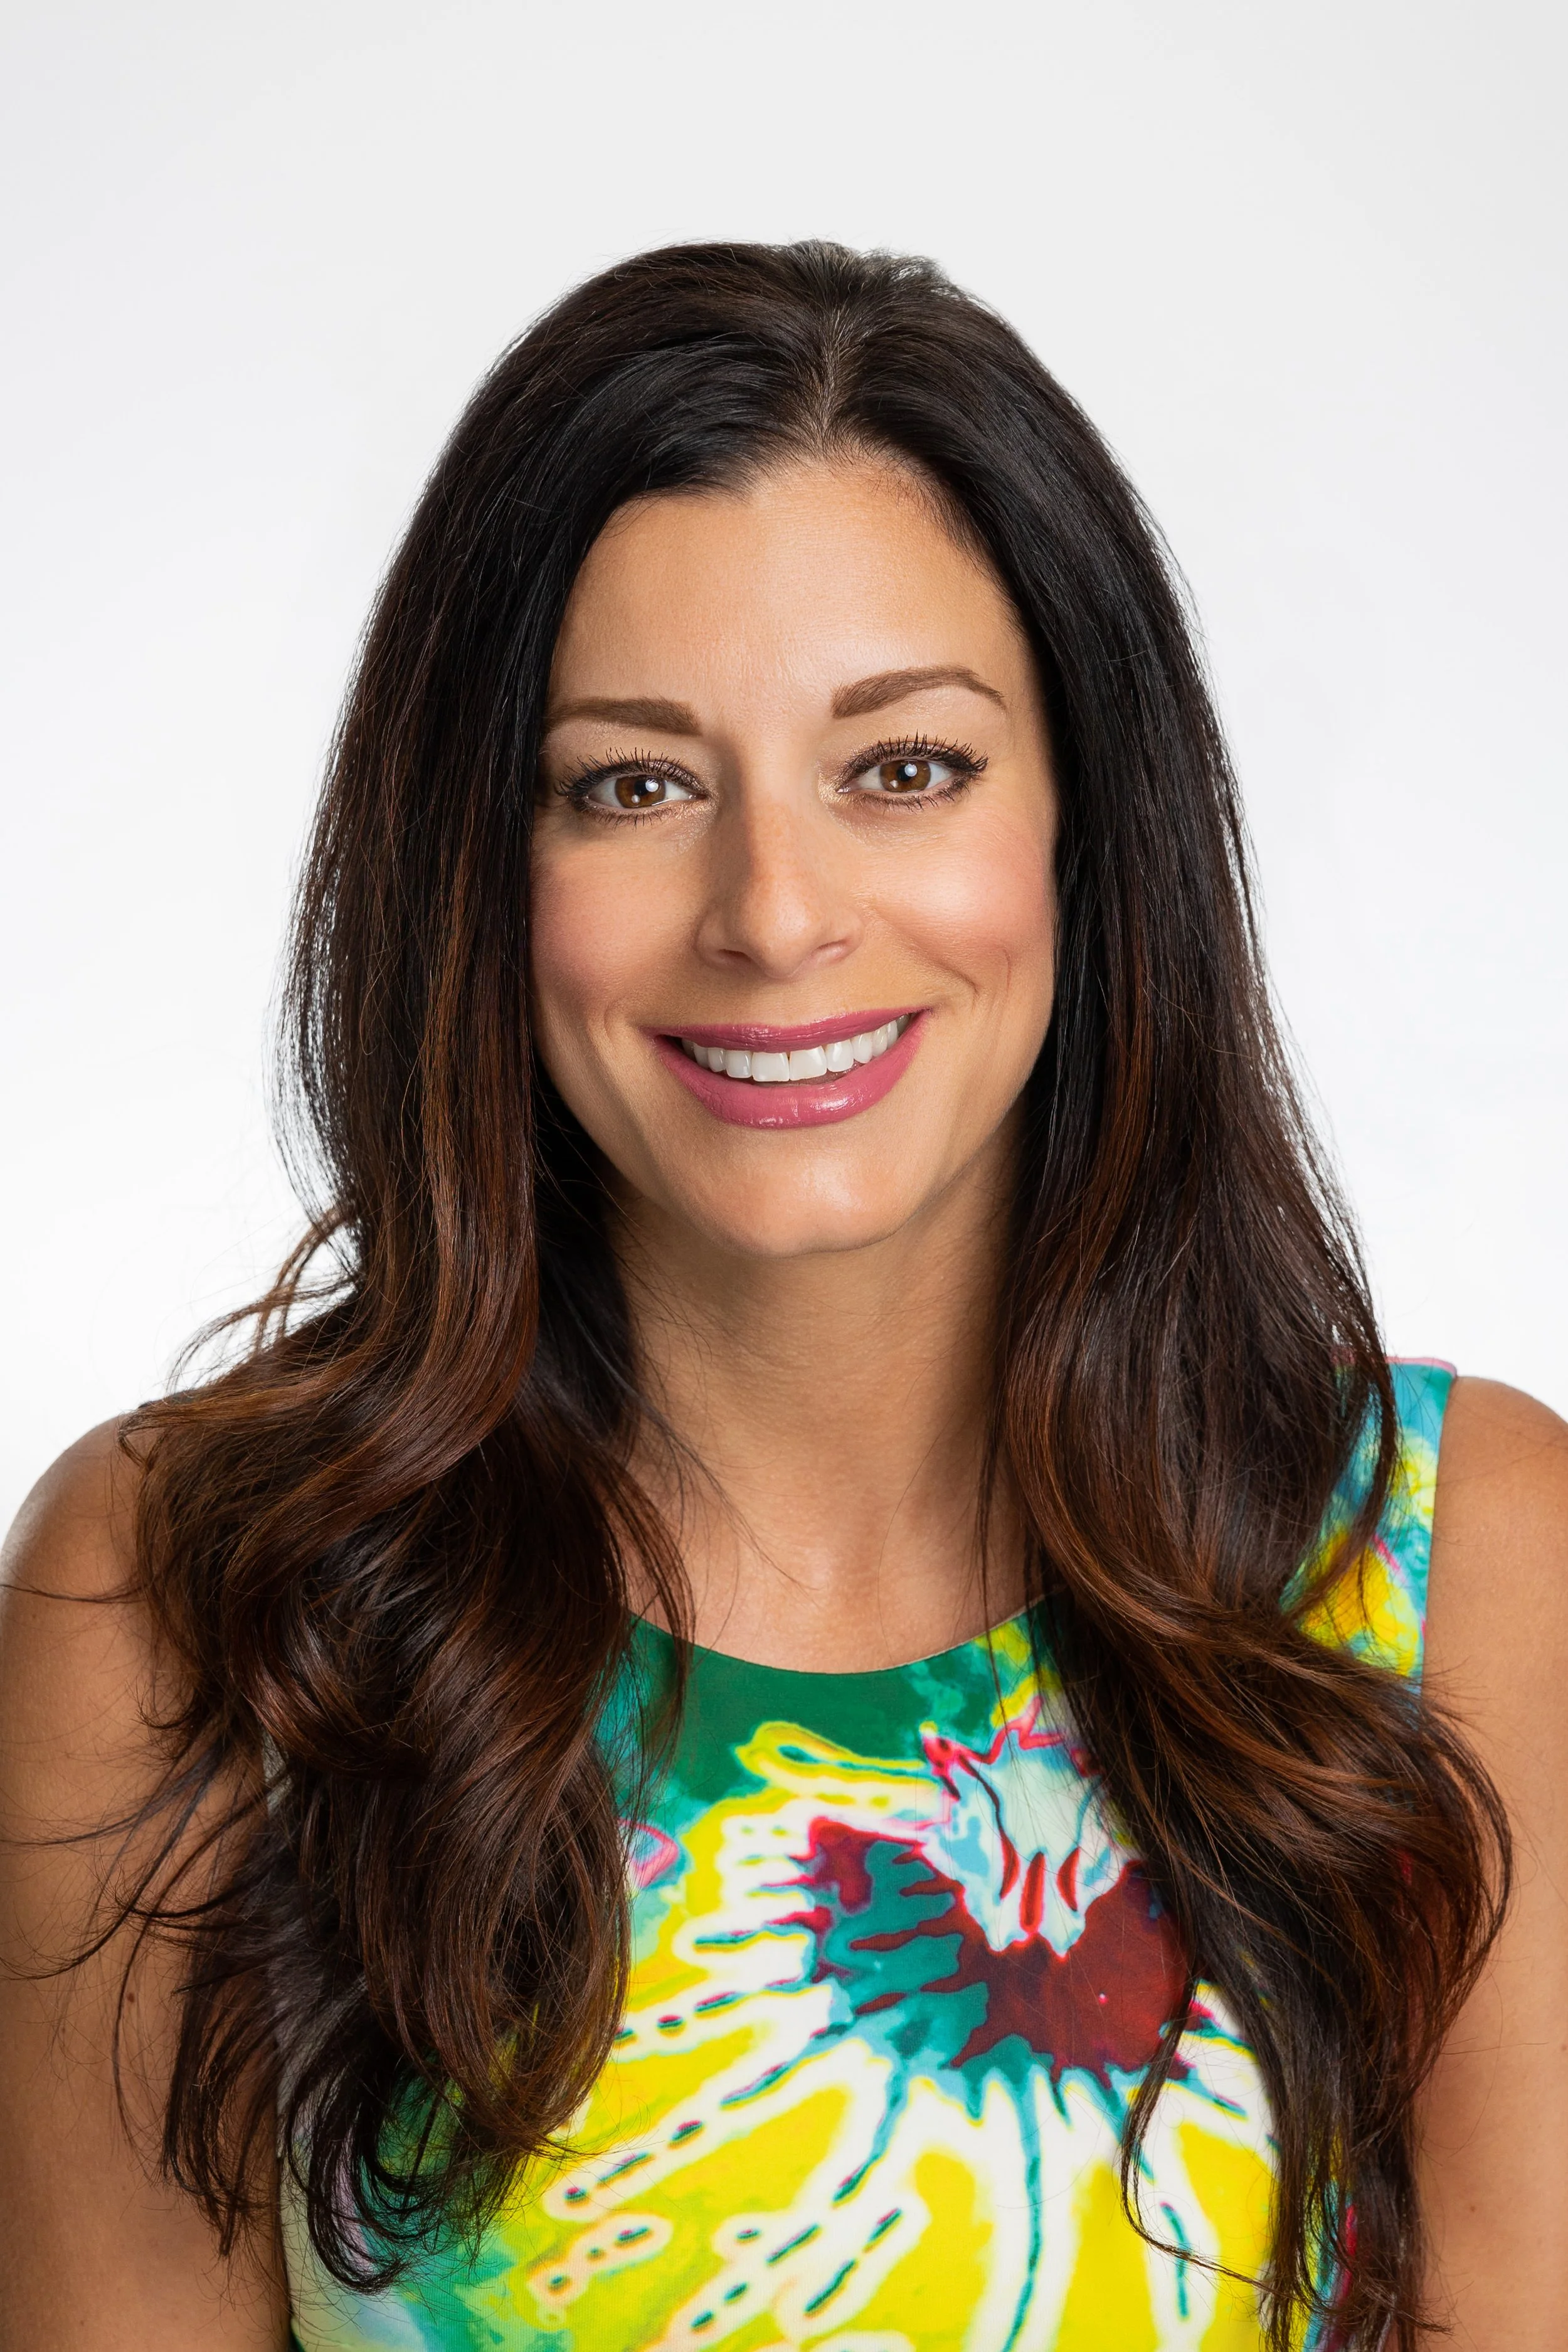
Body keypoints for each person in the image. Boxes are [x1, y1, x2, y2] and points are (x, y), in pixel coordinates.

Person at [1, 241, 1564, 2352]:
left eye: (902, 766)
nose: (771, 911)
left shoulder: (1457, 1570)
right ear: (480, 864)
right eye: (632, 784)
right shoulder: (187, 1597)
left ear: (1084, 831)